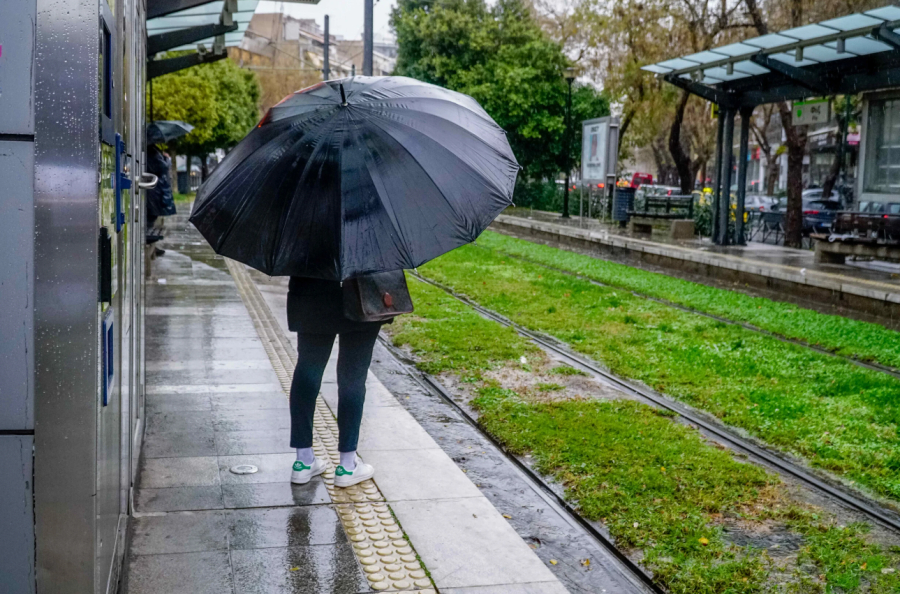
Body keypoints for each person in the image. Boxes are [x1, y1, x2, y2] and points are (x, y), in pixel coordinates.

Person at [287, 277, 385, 487]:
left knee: (307, 370)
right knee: (353, 376)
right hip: (362, 291)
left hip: (312, 292)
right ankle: (348, 466)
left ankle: (303, 461)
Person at [146, 143, 175, 254]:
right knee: (151, 216)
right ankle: (150, 245)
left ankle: (153, 247)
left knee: (152, 217)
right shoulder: (152, 151)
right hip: (155, 190)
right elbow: (162, 167)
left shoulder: (152, 150)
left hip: (155, 189)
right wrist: (167, 159)